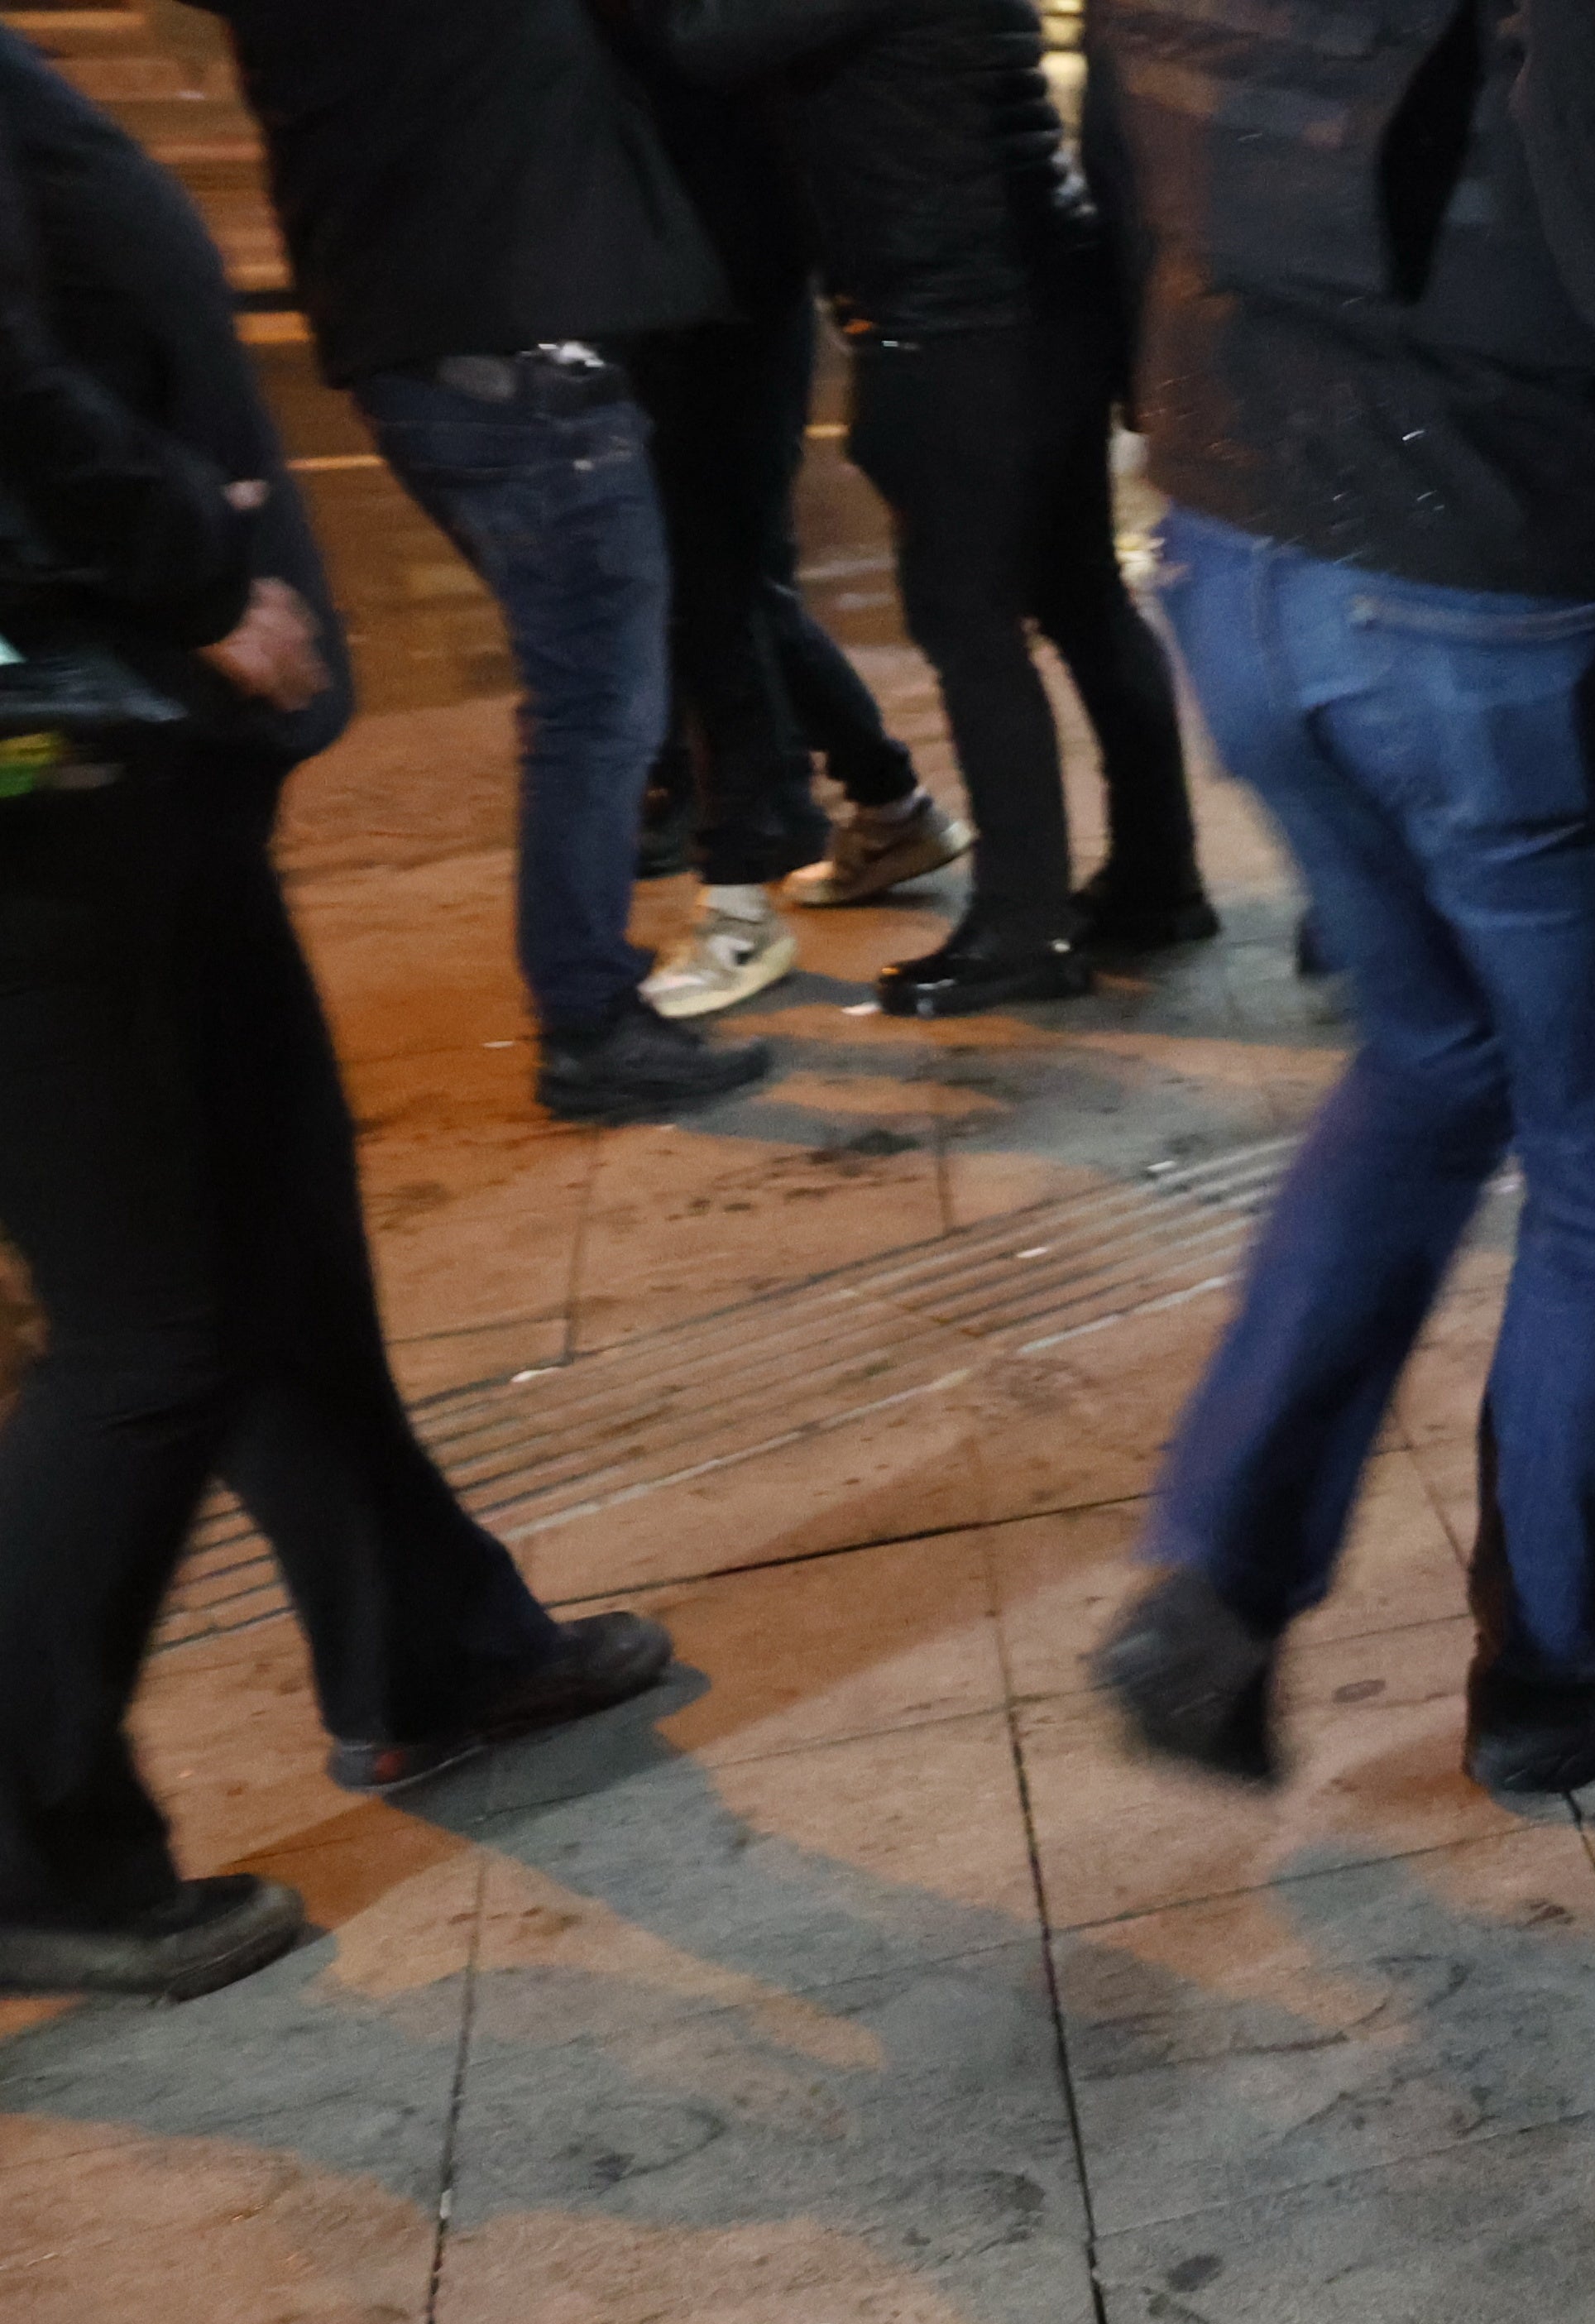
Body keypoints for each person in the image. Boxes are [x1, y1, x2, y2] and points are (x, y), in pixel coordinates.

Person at [1079, 0, 1595, 1799]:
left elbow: (1124, 129)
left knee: (1429, 1058)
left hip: (1247, 535)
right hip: (1502, 583)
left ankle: (1220, 1572)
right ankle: (1566, 1665)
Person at [0, 36, 673, 2001]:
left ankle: (432, 1646)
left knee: (277, 1239)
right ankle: (29, 1844)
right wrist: (197, 570)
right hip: (53, 787)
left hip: (137, 768)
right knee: (149, 1332)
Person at [203, 0, 774, 1119]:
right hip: (525, 378)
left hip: (419, 368)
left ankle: (588, 1004)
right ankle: (589, 1021)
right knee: (595, 707)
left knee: (581, 697)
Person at [668, 0, 1207, 1017]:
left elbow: (700, 41)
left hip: (955, 317)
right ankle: (1156, 878)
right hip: (1032, 291)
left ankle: (1021, 928)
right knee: (1083, 600)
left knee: (970, 625)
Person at [621, 38, 960, 1018]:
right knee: (730, 580)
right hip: (709, 273)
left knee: (711, 591)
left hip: (710, 282)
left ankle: (740, 900)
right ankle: (889, 805)